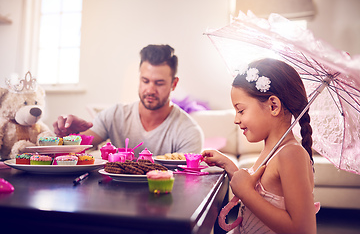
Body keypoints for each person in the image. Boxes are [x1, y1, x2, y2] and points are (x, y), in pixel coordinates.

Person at [202, 58, 318, 233]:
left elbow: (303, 229)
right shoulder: (272, 150)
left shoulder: (291, 154)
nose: (236, 119)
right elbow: (262, 189)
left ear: (273, 106)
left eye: (241, 110)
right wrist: (230, 166)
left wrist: (246, 193)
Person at [53, 44, 204, 156]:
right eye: (145, 81)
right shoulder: (115, 115)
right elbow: (78, 146)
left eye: (159, 83)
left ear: (174, 84)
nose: (150, 90)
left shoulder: (189, 132)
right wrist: (69, 134)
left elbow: (184, 186)